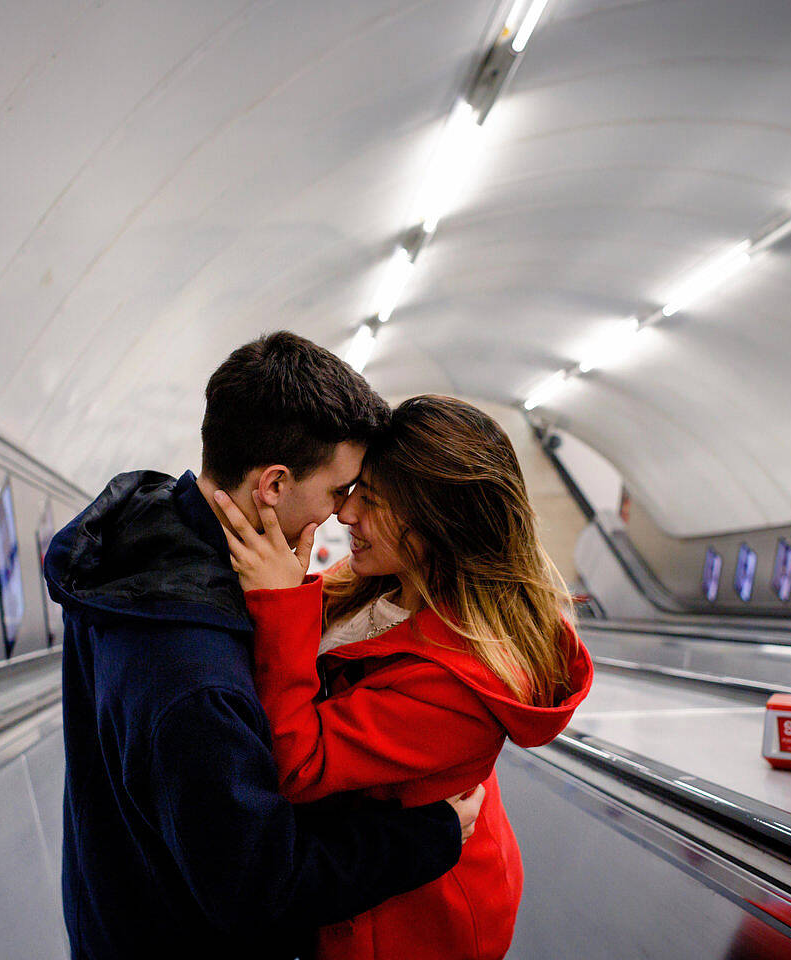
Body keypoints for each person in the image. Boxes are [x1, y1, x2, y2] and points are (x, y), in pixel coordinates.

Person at [44, 334, 485, 959]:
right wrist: (431, 836)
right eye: (338, 491)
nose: (342, 514)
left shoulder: (138, 552)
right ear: (273, 485)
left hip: (118, 909)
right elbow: (259, 885)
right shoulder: (196, 676)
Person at [215, 394, 594, 960]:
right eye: (352, 492)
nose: (345, 516)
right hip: (367, 880)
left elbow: (300, 765)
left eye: (372, 500)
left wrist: (281, 603)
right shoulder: (378, 586)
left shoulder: (464, 683)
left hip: (409, 922)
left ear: (441, 519)